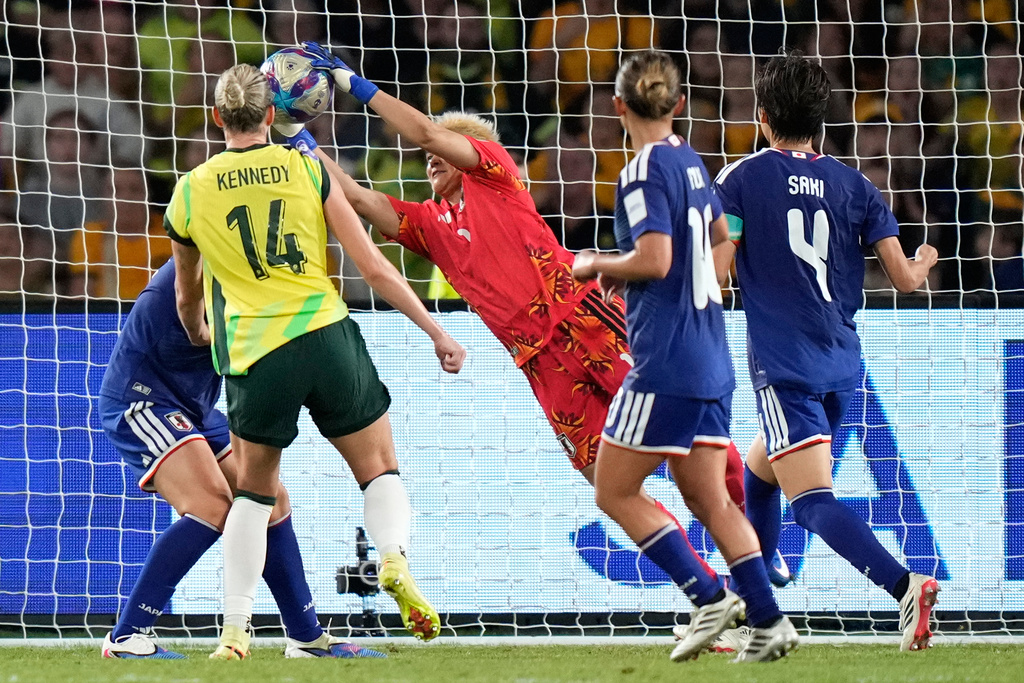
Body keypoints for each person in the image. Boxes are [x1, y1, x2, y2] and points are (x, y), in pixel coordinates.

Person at [285, 41, 758, 593]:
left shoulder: (495, 175)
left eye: (445, 150)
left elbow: (429, 135)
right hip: (539, 364)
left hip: (585, 322)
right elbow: (362, 201)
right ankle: (710, 597)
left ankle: (760, 553)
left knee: (697, 454)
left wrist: (356, 87)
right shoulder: (430, 224)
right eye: (429, 158)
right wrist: (302, 145)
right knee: (608, 486)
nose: (431, 157)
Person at [163, 64, 466, 659]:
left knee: (254, 494)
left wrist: (200, 328)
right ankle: (394, 559)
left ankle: (235, 630)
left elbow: (185, 294)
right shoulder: (305, 168)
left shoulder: (191, 189)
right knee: (379, 467)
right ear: (274, 114)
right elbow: (373, 267)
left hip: (256, 351)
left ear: (219, 117)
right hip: (326, 335)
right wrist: (435, 331)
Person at [571, 51, 798, 664]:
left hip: (664, 361)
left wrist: (597, 263)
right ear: (675, 104)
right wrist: (696, 288)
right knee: (708, 497)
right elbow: (722, 237)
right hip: (710, 356)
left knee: (612, 491)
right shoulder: (694, 164)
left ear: (619, 107)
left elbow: (655, 260)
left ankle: (704, 596)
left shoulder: (642, 171)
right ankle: (770, 621)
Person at [712, 50, 941, 652]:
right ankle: (766, 577)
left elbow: (718, 273)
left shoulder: (738, 179)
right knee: (759, 476)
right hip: (842, 365)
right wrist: (924, 260)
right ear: (821, 120)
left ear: (762, 117)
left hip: (785, 367)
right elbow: (906, 280)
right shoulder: (855, 185)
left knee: (812, 502)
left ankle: (905, 585)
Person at [98, 261, 385, 660]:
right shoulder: (201, 267)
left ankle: (306, 638)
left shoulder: (245, 264)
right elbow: (206, 330)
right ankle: (126, 637)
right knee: (211, 505)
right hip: (141, 399)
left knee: (271, 500)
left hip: (192, 408)